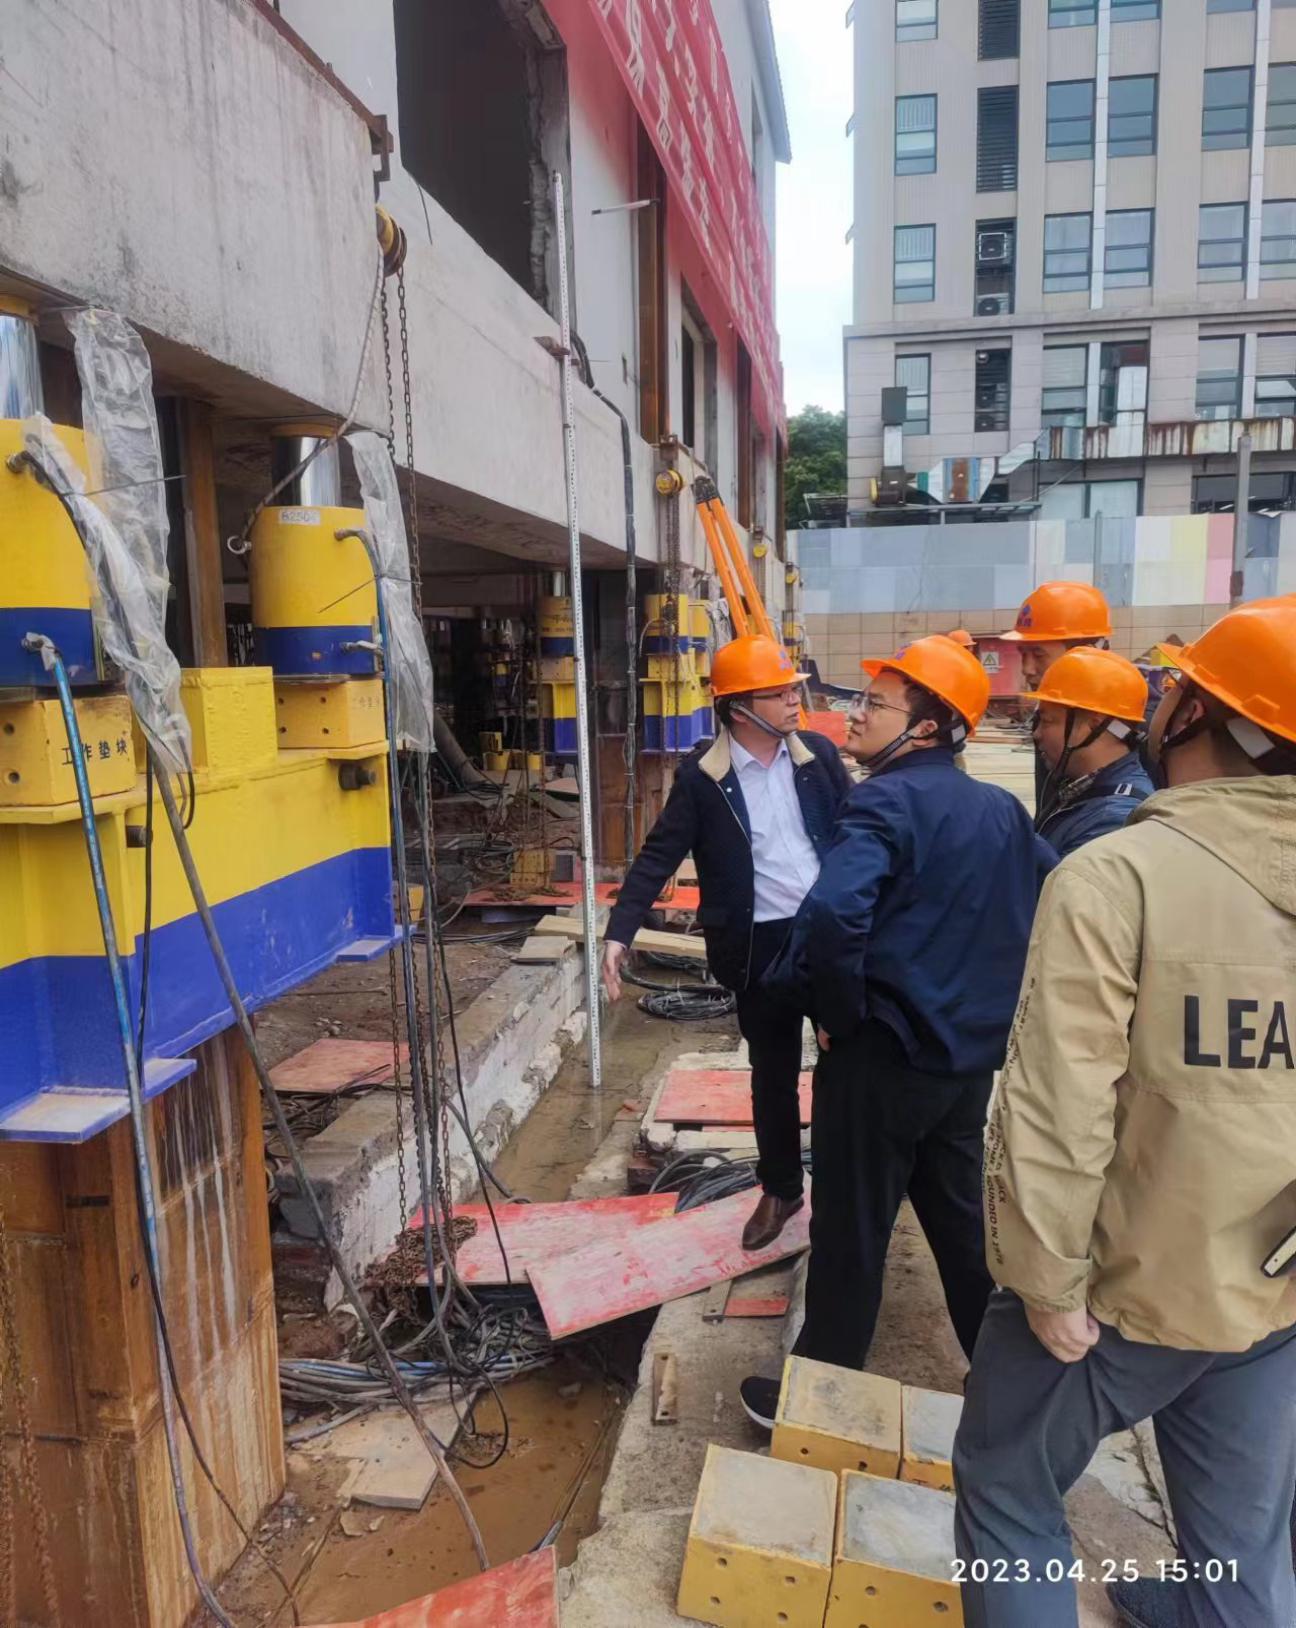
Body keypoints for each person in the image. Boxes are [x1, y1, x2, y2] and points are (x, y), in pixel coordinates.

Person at [953, 595, 1296, 1628]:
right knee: (1239, 1551)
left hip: (1123, 1286)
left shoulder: (1120, 876)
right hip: (1271, 1287)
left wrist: (1046, 1281)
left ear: (1199, 715)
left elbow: (1057, 1106)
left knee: (1008, 1489)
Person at [738, 637, 1052, 1428]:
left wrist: (839, 1018)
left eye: (876, 704)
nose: (855, 714)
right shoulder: (1001, 811)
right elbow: (1056, 891)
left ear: (929, 726)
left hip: (880, 1059)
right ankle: (1009, 1388)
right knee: (961, 1226)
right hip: (963, 1067)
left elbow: (833, 915)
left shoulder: (881, 802)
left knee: (851, 1228)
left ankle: (817, 1396)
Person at [603, 634, 851, 1252]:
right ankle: (782, 1188)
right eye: (780, 692)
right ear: (739, 709)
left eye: (793, 689)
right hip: (757, 945)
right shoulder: (704, 780)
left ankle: (846, 1188)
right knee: (772, 1073)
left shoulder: (818, 757)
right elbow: (658, 854)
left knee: (845, 1065)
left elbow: (858, 833)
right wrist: (619, 931)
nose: (795, 700)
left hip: (827, 935)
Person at [1024, 646, 1154, 860]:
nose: (1037, 734)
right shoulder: (1079, 790)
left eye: (1047, 721)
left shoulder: (1112, 822)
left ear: (1094, 725)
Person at [1000, 581, 1113, 806]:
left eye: (1038, 655)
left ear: (1085, 652)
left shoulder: (1131, 725)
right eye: (1023, 654)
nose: (1027, 669)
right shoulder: (1047, 719)